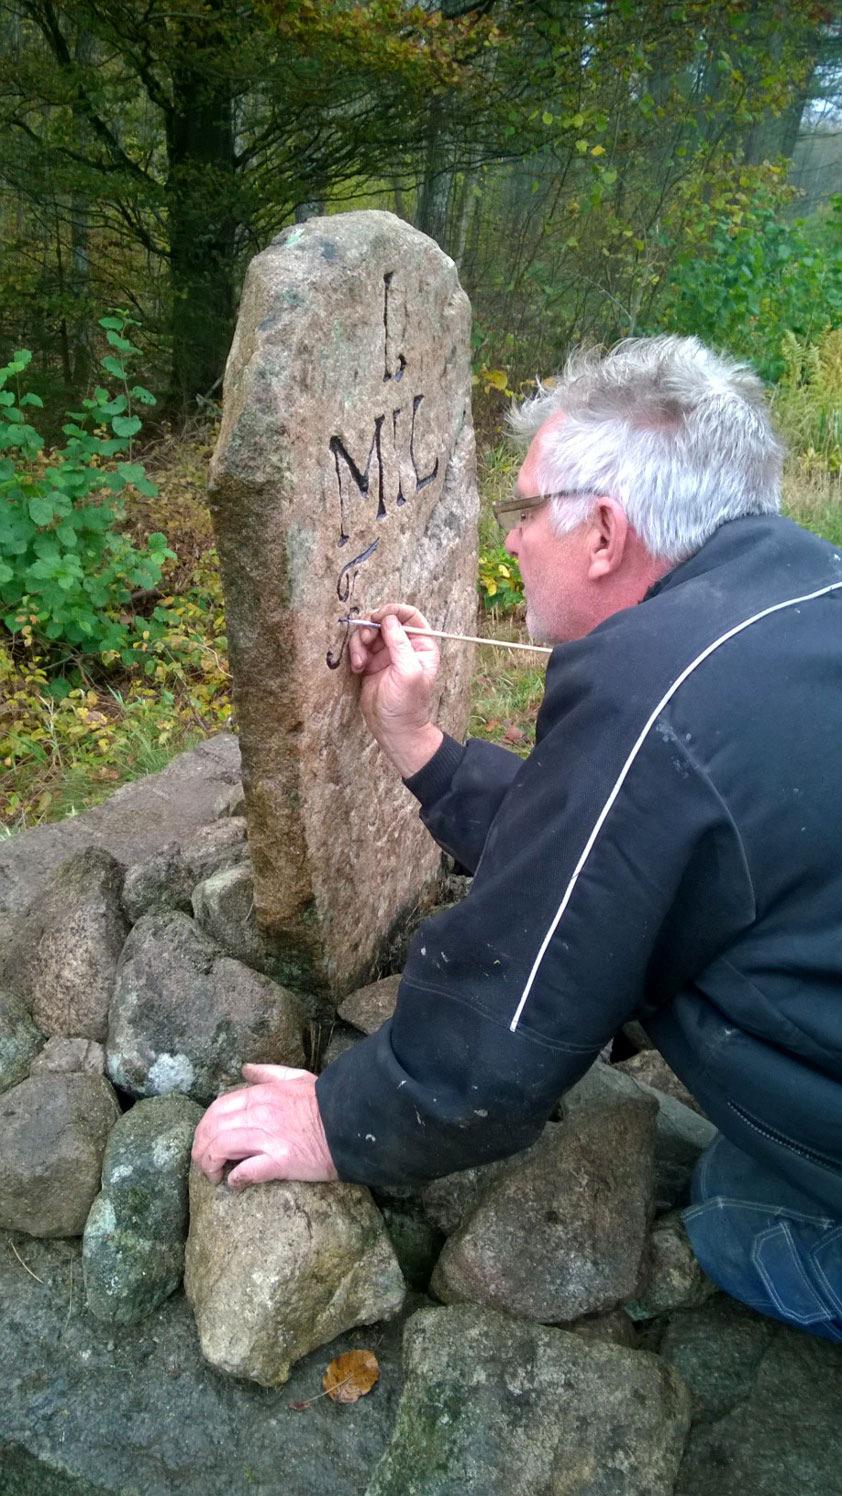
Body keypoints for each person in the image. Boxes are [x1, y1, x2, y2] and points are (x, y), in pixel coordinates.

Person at [192, 335, 842, 1342]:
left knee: (726, 1212)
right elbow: (607, 846)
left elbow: (516, 1006)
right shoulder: (796, 583)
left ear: (601, 534)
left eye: (524, 509)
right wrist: (416, 742)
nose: (508, 540)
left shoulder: (650, 690)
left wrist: (341, 1116)